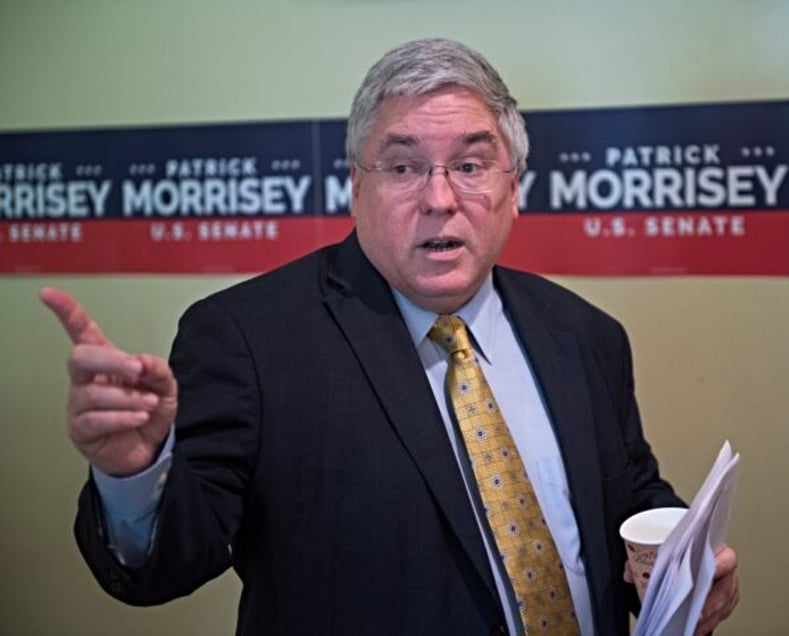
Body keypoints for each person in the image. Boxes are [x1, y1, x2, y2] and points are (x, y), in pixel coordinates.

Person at [42, 38, 739, 635]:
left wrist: (679, 565)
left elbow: (626, 499)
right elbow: (168, 562)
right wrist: (135, 473)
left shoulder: (586, 335)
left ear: (514, 187)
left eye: (470, 165)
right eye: (403, 166)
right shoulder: (248, 338)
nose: (439, 197)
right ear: (356, 185)